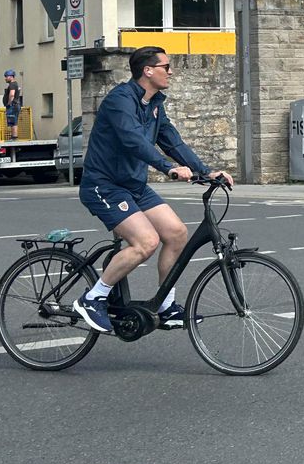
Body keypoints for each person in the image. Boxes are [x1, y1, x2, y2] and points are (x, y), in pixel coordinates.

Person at [72, 47, 233, 334]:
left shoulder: (154, 103)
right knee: (146, 242)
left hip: (134, 185)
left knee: (176, 233)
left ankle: (165, 306)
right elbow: (133, 141)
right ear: (148, 70)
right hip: (104, 186)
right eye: (166, 66)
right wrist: (168, 168)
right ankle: (92, 298)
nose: (171, 71)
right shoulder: (120, 100)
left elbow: (172, 142)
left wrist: (206, 171)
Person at [2, 70, 22, 140]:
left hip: (13, 105)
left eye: (6, 76)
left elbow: (12, 95)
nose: (5, 78)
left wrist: (9, 103)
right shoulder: (14, 84)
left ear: (11, 77)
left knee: (13, 121)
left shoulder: (12, 84)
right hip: (14, 105)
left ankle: (14, 137)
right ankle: (14, 136)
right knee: (13, 121)